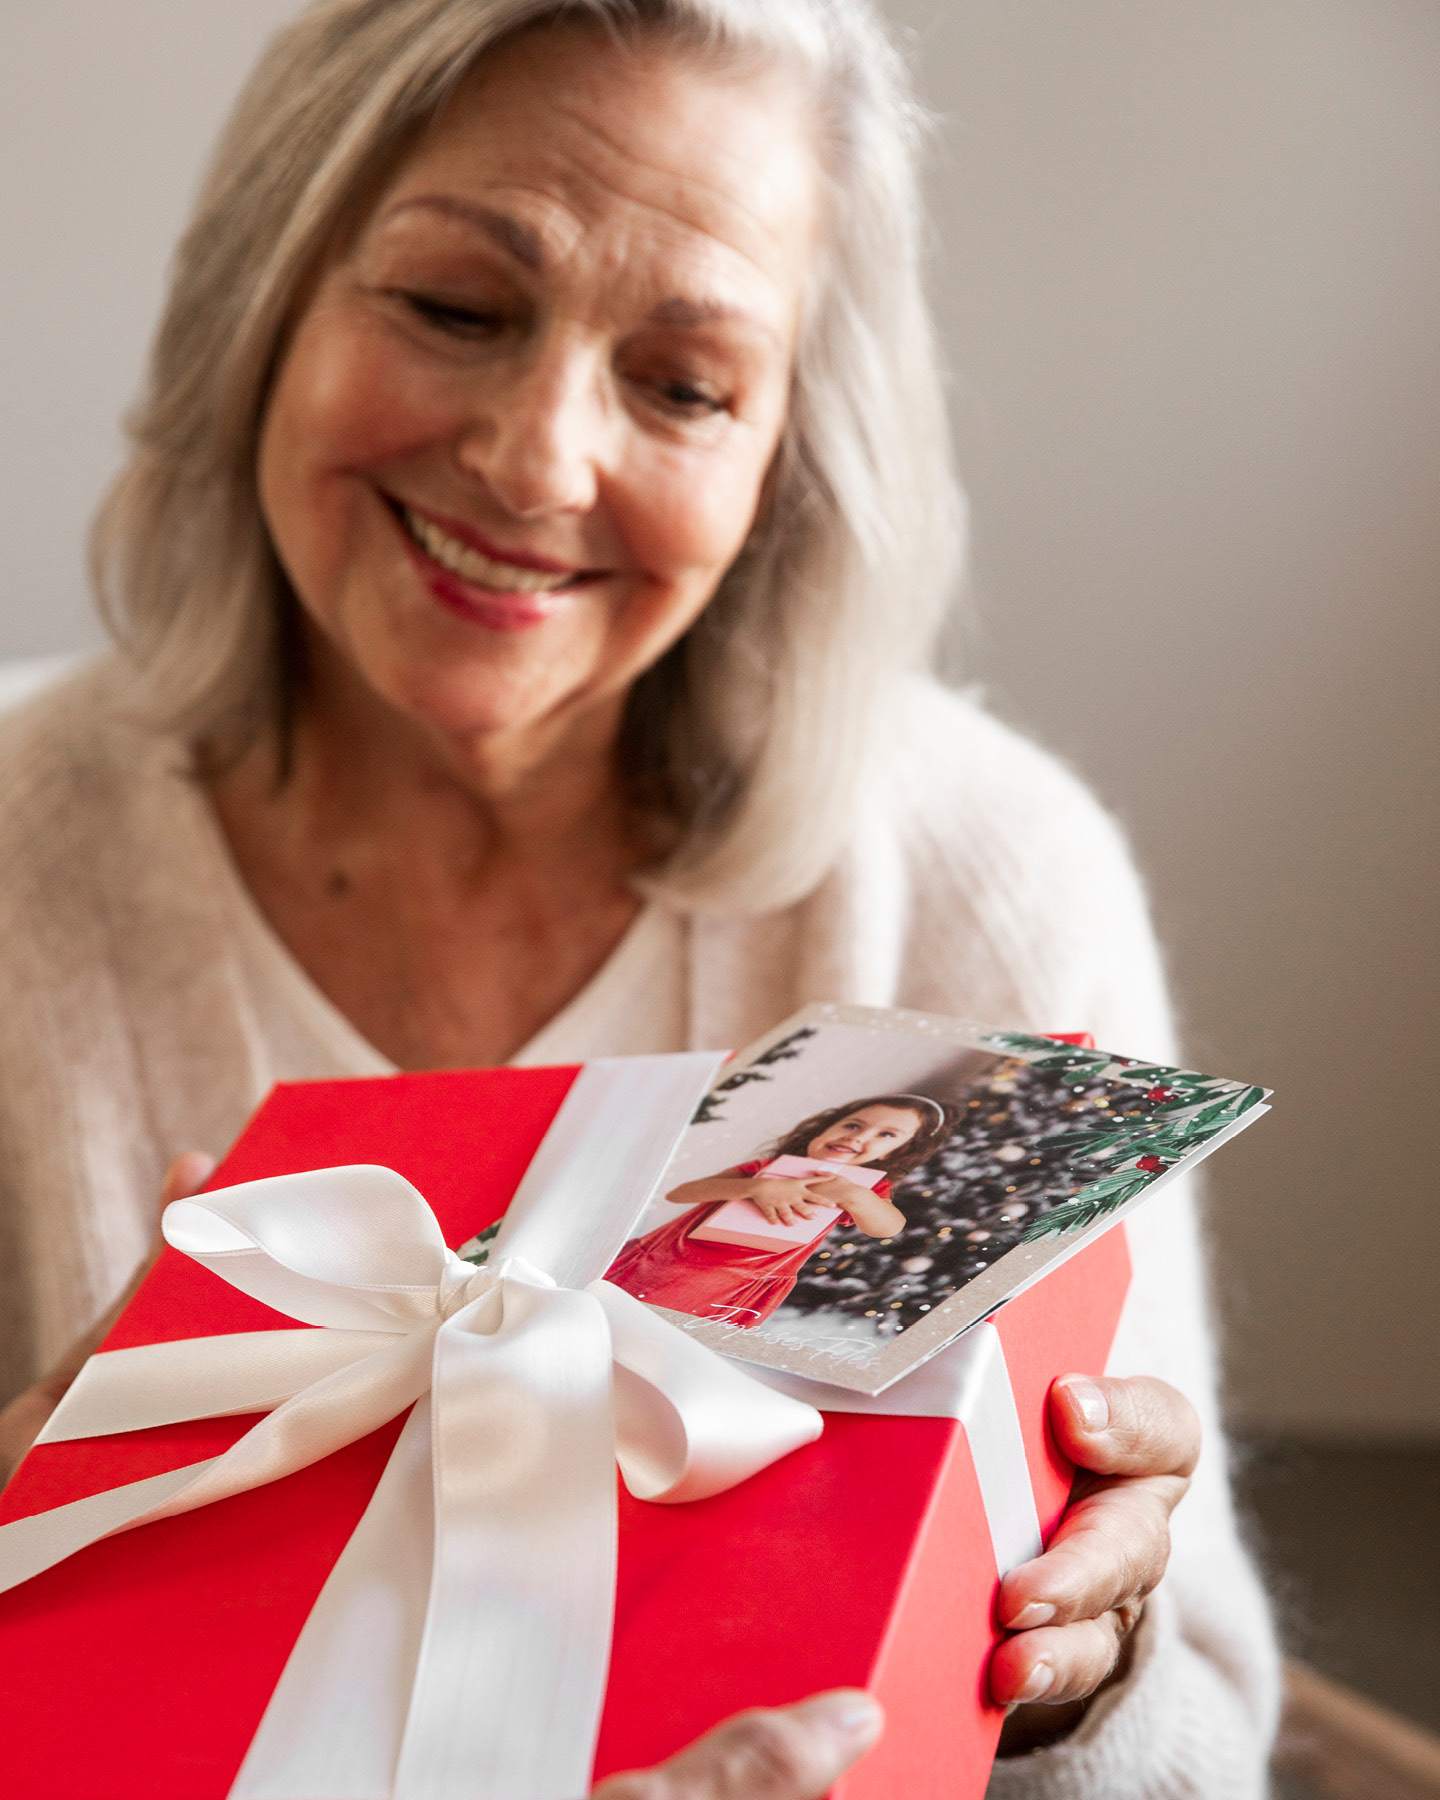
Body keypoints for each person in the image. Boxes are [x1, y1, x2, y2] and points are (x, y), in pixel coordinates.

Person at [0, 0, 1279, 1792]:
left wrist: (1069, 1688)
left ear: (783, 461)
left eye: (683, 383)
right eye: (456, 306)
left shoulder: (984, 886)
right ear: (265, 299)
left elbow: (1211, 1745)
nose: (535, 461)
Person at [607, 1094, 942, 1325]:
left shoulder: (861, 1187)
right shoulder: (767, 1167)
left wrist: (854, 1196)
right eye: (853, 1125)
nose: (859, 1136)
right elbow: (682, 1194)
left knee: (655, 1332)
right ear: (825, 1128)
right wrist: (756, 1186)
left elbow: (887, 1227)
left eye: (885, 1135)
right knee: (612, 1311)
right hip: (673, 1256)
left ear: (892, 1152)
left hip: (736, 1279)